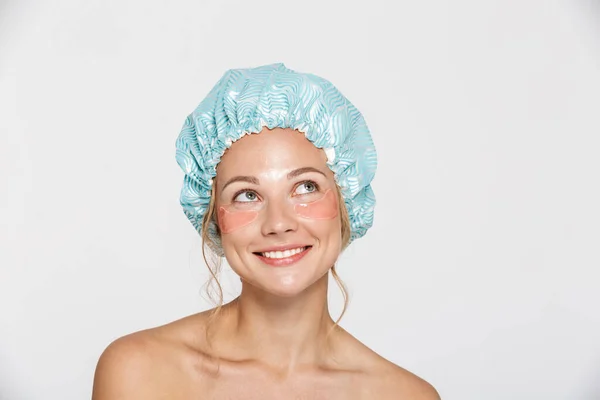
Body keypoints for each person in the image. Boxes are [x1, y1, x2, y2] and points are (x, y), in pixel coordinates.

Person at [92, 63, 440, 399]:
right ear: (213, 219)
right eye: (247, 195)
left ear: (346, 201)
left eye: (306, 187)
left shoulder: (405, 395)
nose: (278, 223)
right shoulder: (139, 372)